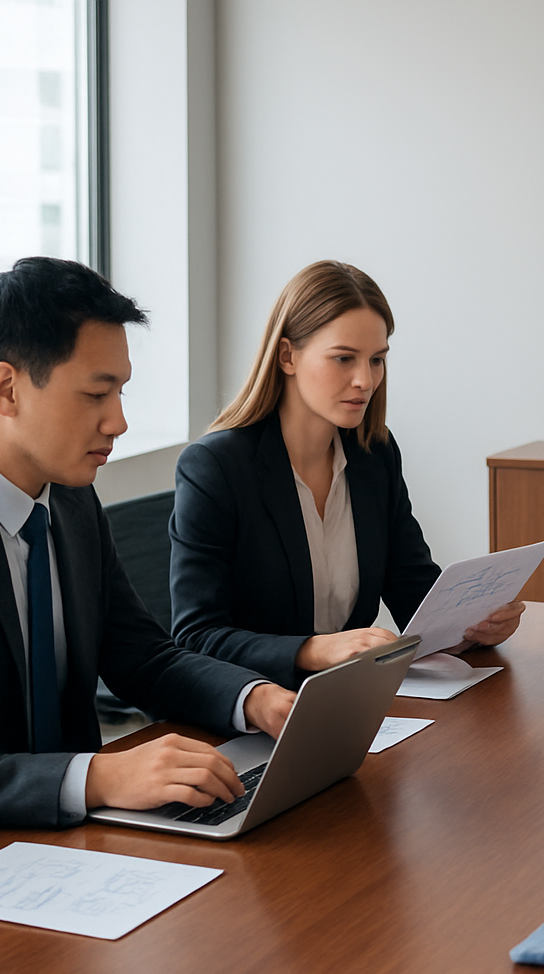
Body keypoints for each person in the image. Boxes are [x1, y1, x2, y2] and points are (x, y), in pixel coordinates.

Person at [0, 258, 295, 863]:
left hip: (62, 842)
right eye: (95, 394)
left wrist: (254, 698)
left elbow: (142, 658)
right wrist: (99, 777)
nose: (119, 421)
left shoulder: (70, 497)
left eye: (120, 392)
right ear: (6, 389)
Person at [170, 260, 522, 688]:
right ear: (287, 356)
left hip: (352, 696)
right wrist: (314, 649)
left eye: (376, 360)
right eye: (343, 359)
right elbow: (196, 636)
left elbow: (413, 591)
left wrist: (472, 626)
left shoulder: (375, 454)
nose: (365, 380)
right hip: (257, 704)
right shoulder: (216, 466)